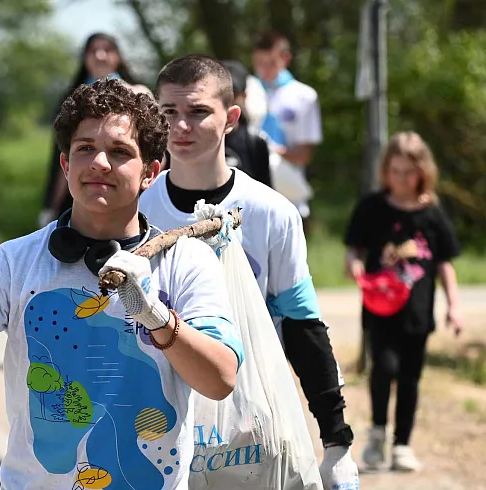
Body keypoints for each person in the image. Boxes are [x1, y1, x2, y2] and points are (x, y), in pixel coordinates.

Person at [0, 78, 244, 489]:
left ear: (151, 172)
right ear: (66, 164)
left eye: (120, 152)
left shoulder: (186, 262)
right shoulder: (16, 263)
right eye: (85, 148)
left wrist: (155, 316)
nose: (100, 163)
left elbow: (221, 379)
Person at [138, 54, 360, 489]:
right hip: (156, 415)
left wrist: (336, 442)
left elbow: (302, 325)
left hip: (250, 416)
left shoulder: (272, 213)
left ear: (231, 118)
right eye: (169, 113)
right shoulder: (137, 211)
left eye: (199, 112)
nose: (181, 127)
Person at [344, 132, 463, 473]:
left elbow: (444, 264)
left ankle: (402, 445)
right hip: (380, 310)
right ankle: (378, 433)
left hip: (418, 313)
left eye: (408, 172)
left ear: (423, 171)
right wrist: (353, 264)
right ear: (386, 170)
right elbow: (354, 247)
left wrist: (453, 305)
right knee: (384, 368)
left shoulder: (432, 214)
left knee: (410, 377)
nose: (401, 178)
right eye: (395, 171)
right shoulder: (372, 207)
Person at [39, 32, 150, 228]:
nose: (100, 56)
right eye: (93, 51)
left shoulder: (139, 94)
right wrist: (51, 206)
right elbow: (60, 157)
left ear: (118, 56)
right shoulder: (71, 99)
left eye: (107, 50)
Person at [252, 31, 322, 230]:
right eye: (259, 63)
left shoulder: (303, 96)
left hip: (288, 194)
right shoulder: (247, 91)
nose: (264, 70)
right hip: (250, 197)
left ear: (285, 58)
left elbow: (304, 154)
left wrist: (271, 151)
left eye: (270, 63)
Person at [220, 59, 272, 188]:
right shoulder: (195, 136)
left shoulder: (255, 142)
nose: (227, 101)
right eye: (220, 94)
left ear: (243, 96)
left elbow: (265, 192)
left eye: (233, 93)